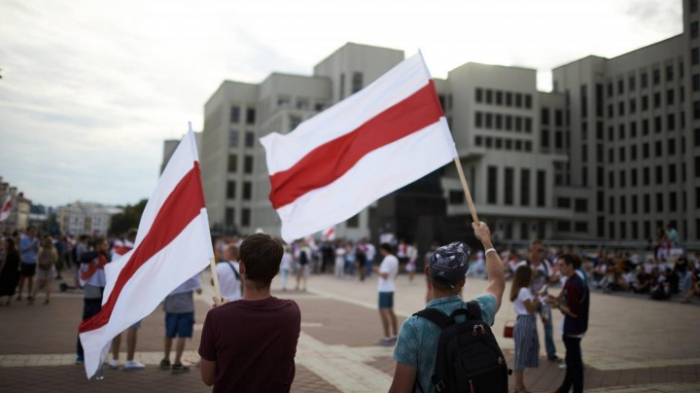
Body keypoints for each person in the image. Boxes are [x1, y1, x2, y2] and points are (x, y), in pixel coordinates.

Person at [388, 222, 505, 393]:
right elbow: (497, 281)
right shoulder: (479, 311)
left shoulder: (413, 327)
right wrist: (486, 241)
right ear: (462, 281)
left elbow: (400, 390)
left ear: (427, 272)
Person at [199, 233, 301, 392]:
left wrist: (223, 313)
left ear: (241, 267)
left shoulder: (217, 317)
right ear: (276, 270)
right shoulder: (291, 312)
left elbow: (208, 378)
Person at [108, 229, 146, 371]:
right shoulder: (140, 252)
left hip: (118, 294)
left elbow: (112, 273)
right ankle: (129, 360)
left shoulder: (117, 252)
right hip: (134, 295)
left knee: (116, 327)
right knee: (133, 328)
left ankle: (115, 359)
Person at [552, 254, 589, 393]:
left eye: (562, 265)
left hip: (574, 328)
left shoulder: (574, 284)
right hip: (574, 327)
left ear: (570, 266)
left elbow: (574, 312)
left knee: (575, 365)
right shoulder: (572, 280)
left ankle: (576, 390)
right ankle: (564, 388)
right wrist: (558, 302)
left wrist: (557, 305)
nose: (559, 267)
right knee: (572, 362)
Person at [522, 239, 561, 363]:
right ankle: (533, 353)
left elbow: (548, 280)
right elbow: (521, 283)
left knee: (548, 327)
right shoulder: (524, 265)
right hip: (530, 302)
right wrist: (532, 276)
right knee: (532, 328)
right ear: (531, 250)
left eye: (542, 250)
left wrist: (553, 279)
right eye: (538, 250)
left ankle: (551, 353)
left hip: (543, 302)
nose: (541, 253)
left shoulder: (545, 264)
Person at [511, 264, 545, 393]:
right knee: (521, 354)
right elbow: (531, 309)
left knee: (521, 352)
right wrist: (538, 297)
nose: (532, 277)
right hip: (526, 321)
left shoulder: (519, 289)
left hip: (523, 321)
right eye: (531, 274)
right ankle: (518, 385)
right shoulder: (524, 290)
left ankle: (520, 385)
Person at [76, 237, 110, 364]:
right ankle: (85, 354)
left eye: (106, 244)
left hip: (96, 294)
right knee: (93, 326)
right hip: (95, 294)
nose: (106, 246)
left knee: (91, 325)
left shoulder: (102, 257)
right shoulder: (93, 257)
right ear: (97, 245)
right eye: (103, 244)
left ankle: (84, 354)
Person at [161, 274, 201, 374]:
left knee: (168, 334)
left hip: (170, 305)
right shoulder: (190, 271)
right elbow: (199, 290)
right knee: (182, 335)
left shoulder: (171, 269)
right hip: (185, 305)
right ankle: (177, 362)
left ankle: (166, 359)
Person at [374, 243, 399, 345]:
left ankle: (387, 337)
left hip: (384, 288)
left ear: (384, 250)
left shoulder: (387, 260)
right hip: (391, 286)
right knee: (390, 311)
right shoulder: (394, 259)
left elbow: (384, 275)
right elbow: (395, 274)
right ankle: (395, 334)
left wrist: (377, 270)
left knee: (383, 311)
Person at [17, 227, 40, 304]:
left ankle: (29, 294)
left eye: (34, 232)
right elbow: (23, 249)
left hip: (33, 261)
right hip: (25, 260)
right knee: (22, 278)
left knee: (31, 278)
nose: (33, 234)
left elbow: (37, 250)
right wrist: (32, 244)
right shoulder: (24, 240)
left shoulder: (36, 241)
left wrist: (36, 246)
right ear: (28, 233)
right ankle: (19, 294)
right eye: (31, 232)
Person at [34, 236, 58, 305]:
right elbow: (55, 260)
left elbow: (38, 258)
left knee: (38, 282)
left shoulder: (41, 249)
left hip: (41, 267)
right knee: (48, 283)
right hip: (50, 267)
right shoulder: (53, 250)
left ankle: (33, 296)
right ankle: (47, 298)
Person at [0, 238, 20, 306]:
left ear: (8, 243)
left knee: (2, 284)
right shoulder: (16, 251)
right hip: (14, 270)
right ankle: (9, 300)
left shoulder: (6, 251)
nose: (4, 243)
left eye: (5, 242)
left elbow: (4, 262)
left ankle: (1, 300)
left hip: (6, 270)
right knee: (12, 285)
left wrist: (1, 269)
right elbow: (19, 260)